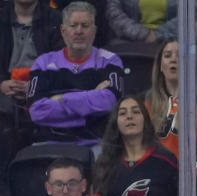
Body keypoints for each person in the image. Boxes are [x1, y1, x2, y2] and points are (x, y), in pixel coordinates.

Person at [26, 1, 124, 146]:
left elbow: (109, 103)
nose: (79, 31)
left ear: (94, 31)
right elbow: (36, 111)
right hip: (50, 143)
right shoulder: (44, 63)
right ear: (63, 30)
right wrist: (90, 100)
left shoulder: (109, 60)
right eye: (73, 26)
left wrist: (60, 98)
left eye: (85, 26)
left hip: (95, 144)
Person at [145, 38, 197, 178]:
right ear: (160, 66)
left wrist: (190, 175)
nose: (173, 60)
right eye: (167, 55)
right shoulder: (146, 103)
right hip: (152, 179)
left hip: (191, 182)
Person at [0, 0, 63, 101]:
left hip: (45, 96)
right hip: (1, 96)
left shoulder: (57, 20)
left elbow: (65, 64)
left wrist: (39, 85)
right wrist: (0, 83)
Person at [105, 0, 177, 43]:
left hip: (172, 39)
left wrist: (158, 35)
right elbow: (113, 11)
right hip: (128, 39)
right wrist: (143, 34)